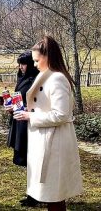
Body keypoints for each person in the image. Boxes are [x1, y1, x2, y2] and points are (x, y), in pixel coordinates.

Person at [14, 36, 83, 211]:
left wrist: (31, 117)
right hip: (47, 140)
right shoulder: (48, 76)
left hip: (55, 143)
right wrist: (25, 113)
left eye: (37, 60)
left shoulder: (57, 79)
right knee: (52, 193)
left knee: (54, 193)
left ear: (48, 57)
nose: (35, 64)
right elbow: (42, 106)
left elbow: (60, 114)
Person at [6, 51, 39, 207]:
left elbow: (37, 103)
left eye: (24, 63)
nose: (21, 67)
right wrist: (11, 106)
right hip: (20, 122)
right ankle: (32, 194)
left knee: (33, 161)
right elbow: (19, 98)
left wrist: (25, 110)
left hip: (30, 124)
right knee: (27, 161)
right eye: (19, 64)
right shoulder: (22, 78)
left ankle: (35, 196)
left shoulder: (36, 79)